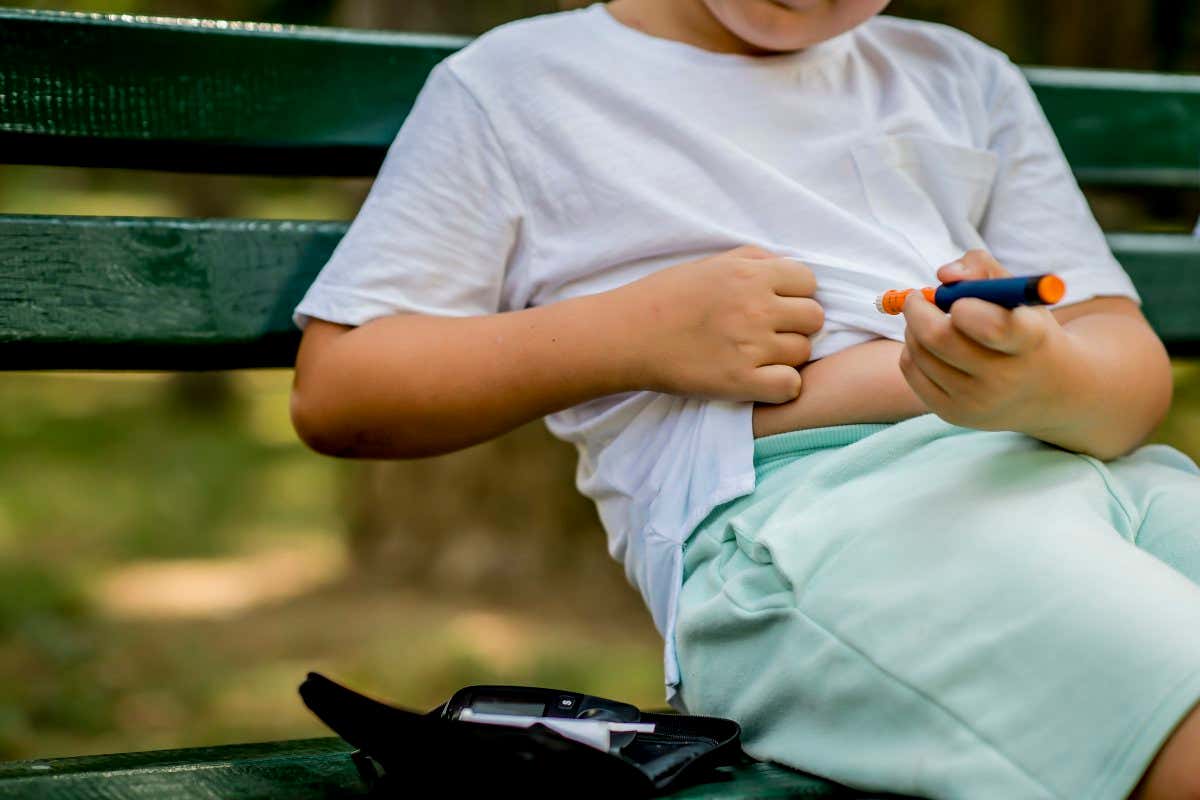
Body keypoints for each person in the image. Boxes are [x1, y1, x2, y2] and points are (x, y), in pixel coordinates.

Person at [287, 1, 1200, 797]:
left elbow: (1126, 373)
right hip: (810, 524)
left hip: (1099, 473)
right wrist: (631, 333)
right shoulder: (516, 86)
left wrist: (1049, 382)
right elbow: (343, 390)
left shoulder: (965, 77)